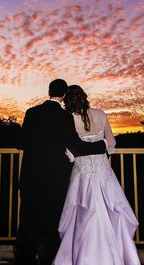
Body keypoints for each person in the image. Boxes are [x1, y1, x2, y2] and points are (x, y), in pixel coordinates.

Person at [14, 79, 107, 265]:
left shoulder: (31, 113)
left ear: (49, 92)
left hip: (31, 179)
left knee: (28, 226)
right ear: (64, 95)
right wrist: (102, 144)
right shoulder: (65, 117)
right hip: (56, 181)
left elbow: (21, 143)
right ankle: (50, 260)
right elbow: (77, 147)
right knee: (52, 226)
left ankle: (25, 260)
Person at [53, 85, 141, 265]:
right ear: (84, 97)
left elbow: (69, 149)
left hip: (82, 172)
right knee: (111, 209)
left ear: (68, 100)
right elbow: (111, 143)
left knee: (79, 212)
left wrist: (73, 157)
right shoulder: (100, 114)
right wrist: (100, 147)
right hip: (103, 171)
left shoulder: (69, 119)